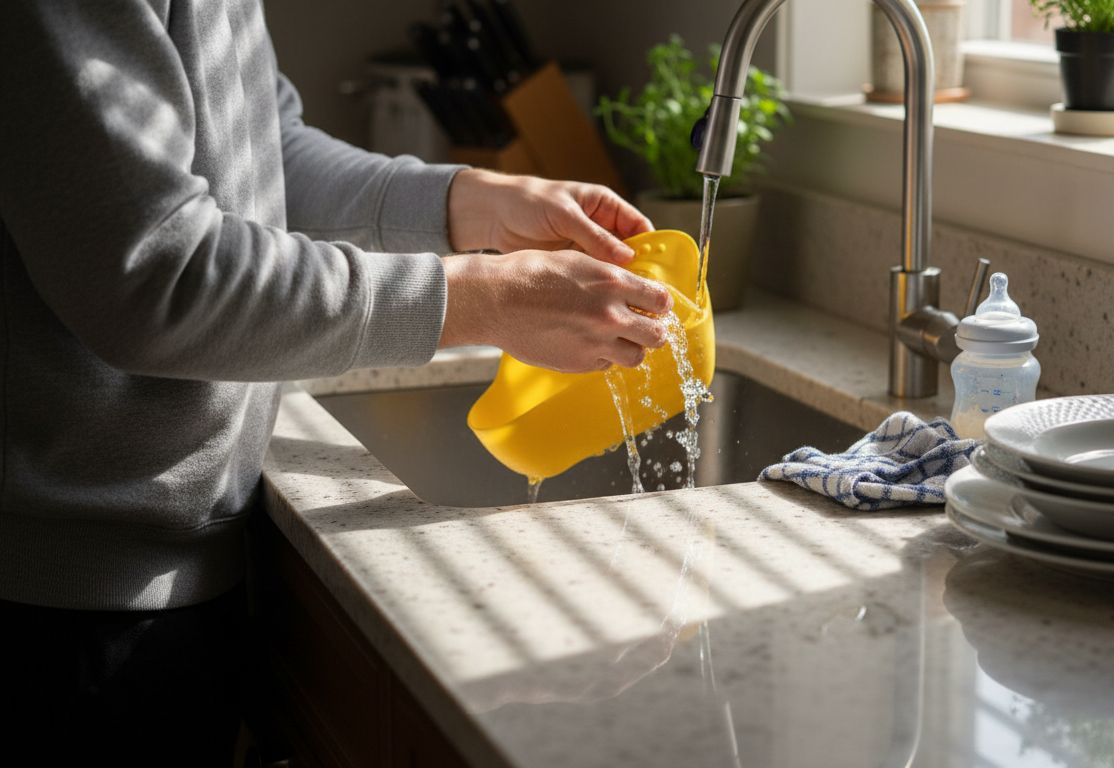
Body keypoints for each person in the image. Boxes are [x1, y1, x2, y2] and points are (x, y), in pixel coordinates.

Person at [0, 1, 670, 763]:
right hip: (58, 613)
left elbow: (262, 152)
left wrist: (466, 202)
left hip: (173, 572)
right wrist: (481, 297)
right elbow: (156, 276)